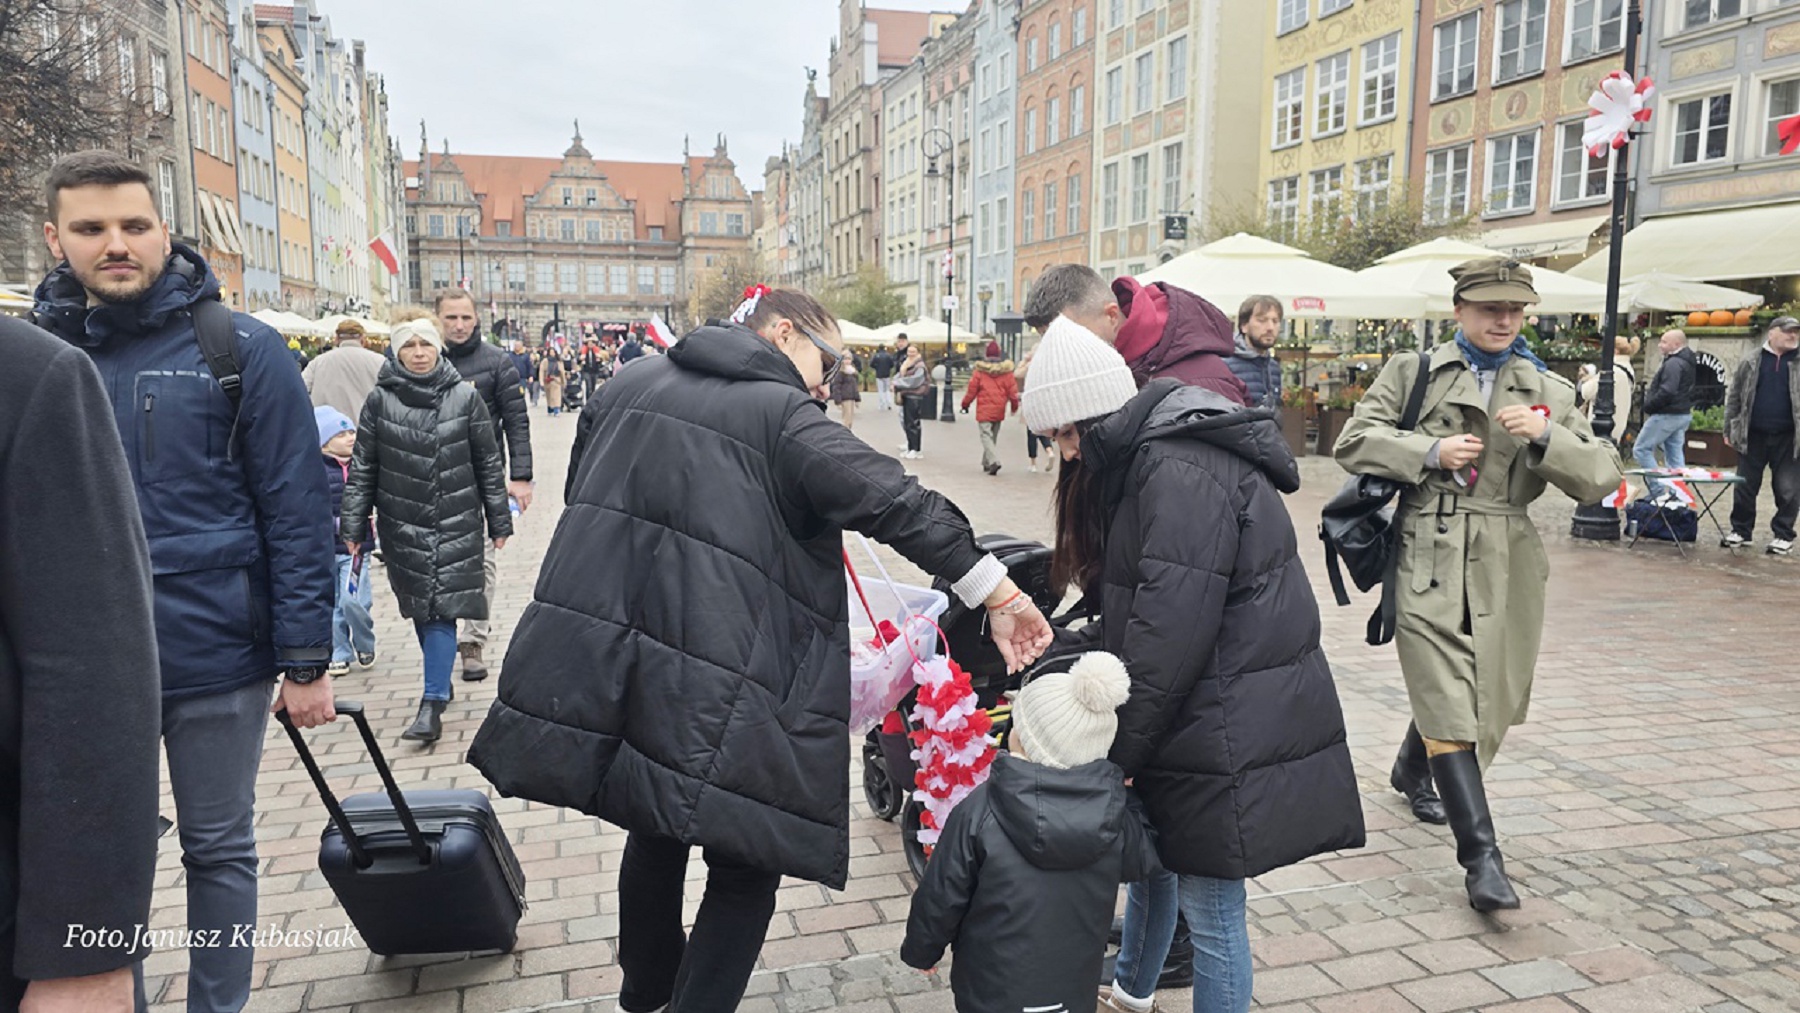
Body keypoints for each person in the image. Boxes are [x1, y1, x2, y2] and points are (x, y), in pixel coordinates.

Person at [468, 286, 1055, 1013]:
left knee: (654, 823)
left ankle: (645, 989)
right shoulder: (781, 413)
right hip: (735, 660)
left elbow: (586, 487)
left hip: (630, 649)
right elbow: (896, 500)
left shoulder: (629, 382)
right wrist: (999, 591)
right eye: (827, 361)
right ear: (782, 333)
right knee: (747, 859)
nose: (828, 382)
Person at [31, 150, 336, 1011]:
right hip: (78, 664)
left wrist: (306, 659)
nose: (115, 243)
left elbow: (296, 509)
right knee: (97, 858)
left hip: (216, 649)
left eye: (134, 225)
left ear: (164, 230)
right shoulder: (31, 357)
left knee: (219, 846)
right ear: (55, 238)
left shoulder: (241, 347)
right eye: (92, 228)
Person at [1018, 315, 1363, 1013]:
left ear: (1091, 413)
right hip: (1203, 699)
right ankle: (1133, 989)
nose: (1065, 452)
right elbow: (1143, 602)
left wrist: (1121, 752)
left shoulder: (1175, 468)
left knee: (1212, 913)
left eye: (1062, 434)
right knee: (1156, 865)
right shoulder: (1154, 456)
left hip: (1221, 712)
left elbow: (1168, 633)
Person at [1335, 258, 1622, 913]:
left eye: (1515, 309)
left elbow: (1602, 475)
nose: (1503, 320)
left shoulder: (1547, 388)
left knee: (1489, 690)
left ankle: (1413, 765)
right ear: (1459, 309)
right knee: (1445, 690)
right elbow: (1355, 441)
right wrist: (1427, 452)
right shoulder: (1413, 372)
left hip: (1505, 556)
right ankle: (1482, 860)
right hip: (1426, 550)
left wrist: (1548, 435)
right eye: (1490, 307)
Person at [0, 315, 161, 1013]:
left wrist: (84, 955)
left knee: (218, 843)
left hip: (215, 640)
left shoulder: (26, 372)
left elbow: (90, 671)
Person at [902, 653, 1160, 1013]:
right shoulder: (1114, 815)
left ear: (1021, 737)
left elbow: (942, 892)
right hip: (1073, 987)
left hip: (991, 989)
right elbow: (1142, 861)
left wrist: (922, 950)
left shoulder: (980, 810)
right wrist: (1124, 796)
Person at [339, 318, 512, 743]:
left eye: (426, 344)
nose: (418, 353)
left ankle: (431, 703)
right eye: (409, 345)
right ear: (396, 352)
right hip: (402, 522)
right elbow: (363, 467)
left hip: (456, 519)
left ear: (438, 349)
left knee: (440, 608)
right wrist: (354, 523)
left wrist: (499, 519)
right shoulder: (380, 401)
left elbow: (488, 463)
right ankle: (440, 679)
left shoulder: (465, 398)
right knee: (421, 606)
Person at [434, 289, 533, 683]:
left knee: (480, 562)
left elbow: (516, 421)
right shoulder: (419, 357)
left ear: (476, 320)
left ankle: (472, 640)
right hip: (429, 478)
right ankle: (438, 642)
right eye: (451, 318)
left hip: (480, 476)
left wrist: (521, 476)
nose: (459, 325)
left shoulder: (496, 362)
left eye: (466, 318)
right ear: (438, 319)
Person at [1022, 263, 1248, 405]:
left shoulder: (1201, 381)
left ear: (1111, 316)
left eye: (1070, 336)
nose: (1060, 348)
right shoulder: (1095, 374)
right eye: (1049, 340)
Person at [1722, 316, 1800, 554]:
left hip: (1789, 436)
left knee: (1787, 488)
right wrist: (1729, 428)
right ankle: (1741, 530)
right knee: (1745, 485)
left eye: (1796, 332)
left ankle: (1783, 534)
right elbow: (1734, 396)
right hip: (1752, 434)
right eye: (1788, 331)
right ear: (1772, 333)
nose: (1793, 336)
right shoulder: (1751, 360)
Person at [317, 407, 377, 678]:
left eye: (352, 431)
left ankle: (365, 642)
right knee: (333, 604)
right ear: (324, 442)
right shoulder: (314, 470)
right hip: (327, 549)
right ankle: (339, 653)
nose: (350, 437)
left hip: (356, 550)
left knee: (353, 600)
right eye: (341, 434)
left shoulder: (363, 465)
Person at [1635, 328, 1698, 497]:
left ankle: (1657, 490)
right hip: (1682, 413)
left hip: (1667, 413)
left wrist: (1649, 406)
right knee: (1674, 454)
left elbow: (1668, 391)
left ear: (1676, 344)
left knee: (1641, 449)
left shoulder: (1673, 364)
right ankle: (1678, 493)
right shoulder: (1686, 361)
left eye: (1664, 342)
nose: (1660, 345)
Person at [303, 318, 387, 420]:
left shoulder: (318, 362)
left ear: (336, 339)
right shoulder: (379, 361)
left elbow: (301, 389)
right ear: (363, 338)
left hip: (327, 425)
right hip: (367, 424)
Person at [961, 340, 1020, 475]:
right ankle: (986, 463)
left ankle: (993, 461)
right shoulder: (1007, 373)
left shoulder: (980, 372)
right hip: (999, 409)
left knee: (986, 436)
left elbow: (971, 391)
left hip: (984, 409)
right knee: (992, 436)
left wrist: (965, 404)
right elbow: (1013, 393)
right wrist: (1014, 407)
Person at [1226, 295, 1284, 409]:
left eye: (1275, 321)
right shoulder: (1226, 365)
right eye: (1262, 320)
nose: (1270, 327)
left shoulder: (1273, 367)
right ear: (1244, 326)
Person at [1579, 336, 1638, 443]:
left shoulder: (1612, 370)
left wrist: (1588, 380)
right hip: (1618, 422)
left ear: (1615, 351)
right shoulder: (1628, 370)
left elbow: (1586, 392)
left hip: (1603, 424)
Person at [1016, 347, 1055, 474]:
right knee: (1043, 430)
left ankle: (1033, 464)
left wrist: (1025, 361)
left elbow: (1017, 374)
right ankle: (1049, 451)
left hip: (1031, 401)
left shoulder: (1030, 366)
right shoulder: (1048, 366)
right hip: (1045, 401)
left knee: (1031, 433)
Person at [895, 343, 932, 459]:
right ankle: (910, 446)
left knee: (913, 423)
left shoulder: (920, 366)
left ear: (918, 353)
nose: (910, 354)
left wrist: (898, 383)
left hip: (915, 396)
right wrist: (895, 381)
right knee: (908, 422)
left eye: (913, 352)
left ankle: (916, 449)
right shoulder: (907, 363)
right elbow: (899, 375)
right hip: (907, 395)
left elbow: (915, 381)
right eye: (909, 351)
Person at [830, 346, 863, 428]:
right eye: (845, 359)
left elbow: (855, 387)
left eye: (849, 359)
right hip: (844, 398)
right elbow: (836, 387)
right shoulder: (840, 372)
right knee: (846, 420)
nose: (847, 361)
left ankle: (848, 432)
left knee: (850, 420)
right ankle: (845, 434)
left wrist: (857, 399)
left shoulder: (852, 371)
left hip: (851, 397)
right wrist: (838, 401)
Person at [871, 343, 897, 408]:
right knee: (887, 390)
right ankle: (889, 403)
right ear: (884, 348)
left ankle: (882, 404)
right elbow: (892, 364)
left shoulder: (876, 356)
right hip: (887, 374)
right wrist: (888, 368)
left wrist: (876, 367)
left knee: (881, 390)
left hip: (879, 374)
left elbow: (871, 364)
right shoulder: (888, 355)